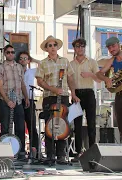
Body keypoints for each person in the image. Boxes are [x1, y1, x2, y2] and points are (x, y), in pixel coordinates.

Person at [35, 35, 80, 164]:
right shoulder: (43, 63)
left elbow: (70, 79)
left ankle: (61, 155)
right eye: (50, 45)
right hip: (49, 97)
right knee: (50, 125)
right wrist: (52, 89)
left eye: (54, 45)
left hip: (64, 96)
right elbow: (39, 81)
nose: (53, 47)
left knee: (63, 125)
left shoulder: (65, 61)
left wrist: (74, 94)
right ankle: (50, 155)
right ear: (47, 48)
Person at [0, 45, 30, 159]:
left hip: (19, 100)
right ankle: (4, 152)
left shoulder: (19, 67)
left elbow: (22, 84)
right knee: (5, 127)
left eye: (12, 52)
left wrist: (26, 97)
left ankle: (21, 152)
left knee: (20, 127)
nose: (11, 54)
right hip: (5, 101)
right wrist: (7, 100)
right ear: (5, 54)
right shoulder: (0, 68)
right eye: (8, 52)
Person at [69, 38, 100, 161]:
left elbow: (98, 79)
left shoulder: (92, 62)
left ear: (85, 47)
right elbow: (69, 81)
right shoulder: (70, 64)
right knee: (77, 125)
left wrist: (90, 75)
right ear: (74, 49)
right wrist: (73, 94)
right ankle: (78, 152)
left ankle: (92, 152)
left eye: (82, 46)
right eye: (77, 46)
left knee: (91, 123)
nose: (80, 48)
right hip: (76, 94)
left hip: (89, 93)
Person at [18, 51, 39, 155]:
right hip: (19, 100)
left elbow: (43, 65)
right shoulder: (16, 71)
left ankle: (35, 149)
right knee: (20, 126)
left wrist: (33, 59)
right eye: (21, 58)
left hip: (30, 100)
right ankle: (20, 150)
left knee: (32, 125)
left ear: (28, 60)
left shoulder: (31, 71)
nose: (23, 60)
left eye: (25, 58)